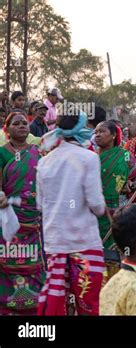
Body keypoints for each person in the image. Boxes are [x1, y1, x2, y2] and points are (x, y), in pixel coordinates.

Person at [36, 112, 106, 316]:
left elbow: (40, 205)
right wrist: (102, 211)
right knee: (87, 301)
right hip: (84, 242)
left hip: (55, 241)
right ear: (82, 128)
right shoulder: (89, 158)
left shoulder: (45, 162)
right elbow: (96, 204)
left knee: (58, 300)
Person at [0, 112, 44, 315]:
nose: (21, 126)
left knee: (35, 262)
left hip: (34, 219)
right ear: (7, 129)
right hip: (9, 218)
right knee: (8, 261)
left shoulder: (39, 153)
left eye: (24, 123)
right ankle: (8, 304)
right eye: (15, 123)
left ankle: (36, 303)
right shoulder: (2, 153)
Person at [95, 120, 136, 248]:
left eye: (102, 131)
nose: (97, 135)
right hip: (96, 209)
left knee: (117, 246)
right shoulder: (90, 156)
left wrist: (129, 183)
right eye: (96, 132)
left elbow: (135, 179)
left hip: (118, 207)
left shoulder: (124, 155)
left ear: (113, 135)